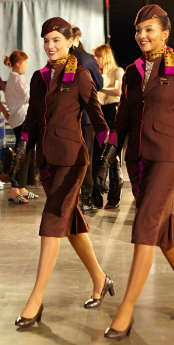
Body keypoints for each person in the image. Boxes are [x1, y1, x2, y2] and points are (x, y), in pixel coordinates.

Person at [96, 5, 174, 341]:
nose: (142, 35)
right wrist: (107, 157)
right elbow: (122, 120)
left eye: (149, 30)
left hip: (169, 158)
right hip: (138, 160)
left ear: (165, 34)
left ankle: (126, 310)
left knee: (144, 225)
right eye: (139, 30)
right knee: (163, 228)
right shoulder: (131, 72)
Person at [11, 17, 113, 328]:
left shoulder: (80, 75)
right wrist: (22, 147)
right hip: (47, 161)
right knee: (72, 226)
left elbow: (98, 118)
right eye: (46, 41)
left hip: (72, 161)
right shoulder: (39, 77)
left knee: (52, 222)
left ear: (70, 41)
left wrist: (108, 155)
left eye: (56, 40)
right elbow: (31, 118)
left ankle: (35, 300)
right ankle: (101, 279)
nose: (50, 46)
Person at [71, 25, 103, 213]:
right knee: (87, 157)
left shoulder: (59, 60)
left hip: (66, 116)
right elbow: (99, 84)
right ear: (78, 38)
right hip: (85, 116)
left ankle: (72, 198)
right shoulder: (87, 59)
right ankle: (87, 198)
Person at [92, 44, 124, 209]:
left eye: (98, 56)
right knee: (96, 154)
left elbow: (118, 91)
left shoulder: (117, 71)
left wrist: (99, 87)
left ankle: (114, 195)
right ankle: (96, 193)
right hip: (97, 112)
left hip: (112, 112)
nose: (96, 59)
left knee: (112, 156)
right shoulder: (94, 72)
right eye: (94, 56)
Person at [4, 50, 38, 204]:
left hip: (22, 119)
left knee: (27, 152)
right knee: (22, 153)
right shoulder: (17, 79)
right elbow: (29, 96)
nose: (27, 66)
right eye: (25, 63)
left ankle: (22, 187)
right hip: (22, 120)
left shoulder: (15, 78)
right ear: (18, 64)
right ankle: (14, 190)